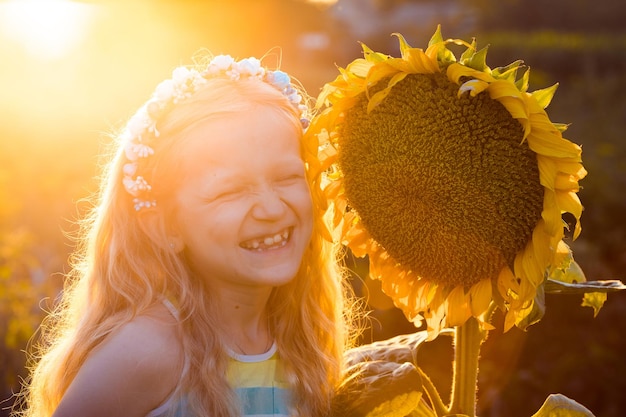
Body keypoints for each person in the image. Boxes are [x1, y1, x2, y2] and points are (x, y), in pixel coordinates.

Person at [13, 53, 357, 417]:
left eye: (288, 177)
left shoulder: (300, 341)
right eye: (231, 191)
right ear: (166, 227)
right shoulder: (150, 350)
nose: (271, 208)